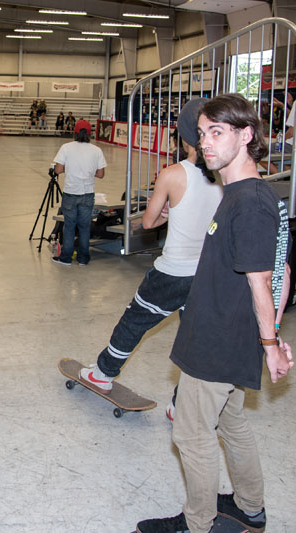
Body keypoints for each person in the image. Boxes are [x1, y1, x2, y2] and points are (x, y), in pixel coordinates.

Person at [136, 93, 294, 533]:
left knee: (191, 433)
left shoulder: (250, 202)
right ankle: (249, 507)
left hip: (219, 337)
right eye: (203, 133)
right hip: (230, 330)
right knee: (230, 420)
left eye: (217, 132)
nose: (205, 142)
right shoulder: (241, 192)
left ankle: (197, 524)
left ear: (246, 135)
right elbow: (280, 268)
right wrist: (268, 333)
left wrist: (271, 344)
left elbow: (264, 279)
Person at [78, 99, 223, 414]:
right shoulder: (224, 175)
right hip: (206, 273)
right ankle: (181, 405)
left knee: (135, 321)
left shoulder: (172, 174)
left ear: (184, 138)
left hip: (172, 273)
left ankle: (103, 373)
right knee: (194, 339)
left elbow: (147, 222)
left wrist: (167, 214)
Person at [51, 120, 106, 266]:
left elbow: (58, 170)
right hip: (87, 193)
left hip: (70, 192)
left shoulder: (66, 147)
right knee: (84, 227)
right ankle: (83, 258)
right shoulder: (96, 150)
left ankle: (66, 258)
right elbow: (101, 174)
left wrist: (69, 168)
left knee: (69, 226)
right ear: (90, 133)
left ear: (75, 132)